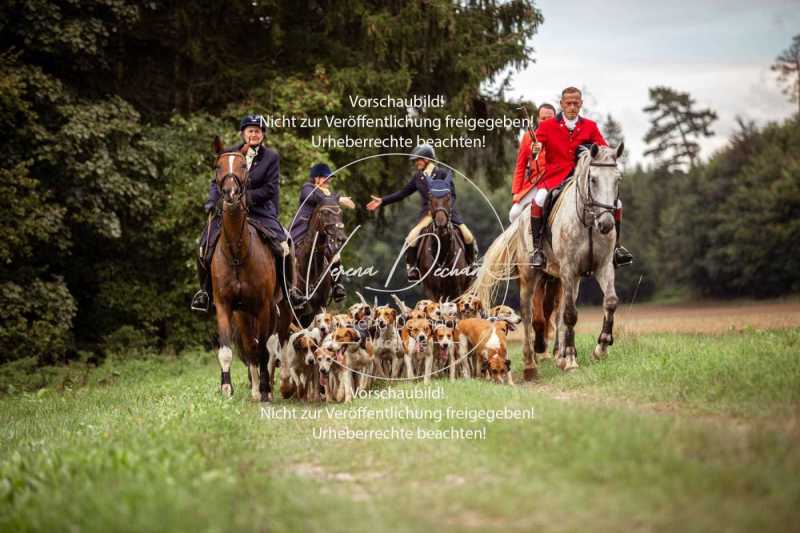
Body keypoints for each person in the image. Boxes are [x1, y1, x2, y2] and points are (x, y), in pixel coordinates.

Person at [190, 114, 305, 312]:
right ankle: (205, 293)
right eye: (250, 130)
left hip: (259, 210)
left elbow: (270, 188)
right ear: (243, 133)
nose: (254, 134)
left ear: (263, 135)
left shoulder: (271, 157)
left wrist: (246, 198)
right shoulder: (229, 154)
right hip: (229, 211)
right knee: (203, 244)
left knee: (285, 245)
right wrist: (212, 201)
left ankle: (289, 291)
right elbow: (215, 181)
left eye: (258, 131)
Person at [528, 87, 633, 269]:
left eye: (576, 103)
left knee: (618, 204)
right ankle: (538, 249)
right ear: (561, 104)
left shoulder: (590, 126)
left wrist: (611, 157)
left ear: (581, 104)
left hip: (583, 179)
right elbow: (535, 146)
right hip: (555, 177)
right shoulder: (547, 126)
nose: (572, 107)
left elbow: (603, 148)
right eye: (568, 103)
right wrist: (535, 149)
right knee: (539, 200)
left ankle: (616, 248)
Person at [366, 144, 478, 282]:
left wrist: (445, 210)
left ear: (427, 159)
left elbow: (453, 195)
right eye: (415, 160)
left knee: (468, 236)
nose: (416, 163)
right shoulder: (418, 177)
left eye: (418, 160)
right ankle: (413, 268)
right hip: (427, 215)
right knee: (411, 238)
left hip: (447, 213)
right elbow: (403, 193)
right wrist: (382, 201)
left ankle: (471, 266)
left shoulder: (442, 173)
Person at [288, 163, 355, 303]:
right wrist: (340, 199)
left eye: (329, 178)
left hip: (321, 233)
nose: (328, 180)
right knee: (288, 252)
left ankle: (338, 285)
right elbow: (316, 198)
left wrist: (337, 199)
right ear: (316, 178)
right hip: (302, 229)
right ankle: (288, 286)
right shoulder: (307, 189)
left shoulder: (328, 193)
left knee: (336, 254)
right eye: (325, 177)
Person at [509, 103, 556, 222]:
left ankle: (537, 239)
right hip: (533, 183)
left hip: (553, 182)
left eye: (549, 119)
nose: (545, 121)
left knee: (540, 201)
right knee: (514, 213)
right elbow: (520, 167)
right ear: (538, 119)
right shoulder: (527, 138)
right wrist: (516, 192)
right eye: (543, 118)